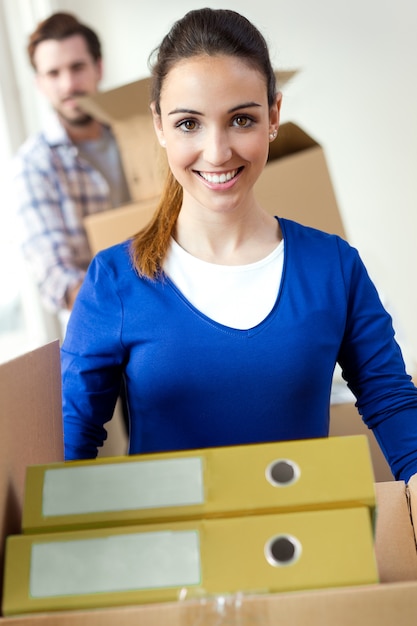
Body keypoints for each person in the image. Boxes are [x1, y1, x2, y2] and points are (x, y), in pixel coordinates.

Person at [61, 7, 417, 483]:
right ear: (159, 125)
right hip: (166, 552)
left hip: (301, 543)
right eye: (190, 123)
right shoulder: (116, 280)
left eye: (241, 120)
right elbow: (69, 443)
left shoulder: (332, 268)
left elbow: (390, 399)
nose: (217, 152)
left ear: (273, 115)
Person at [11, 12, 131, 330]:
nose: (68, 85)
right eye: (53, 73)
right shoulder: (34, 165)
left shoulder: (137, 135)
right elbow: (56, 278)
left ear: (98, 68)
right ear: (39, 83)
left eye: (77, 68)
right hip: (102, 329)